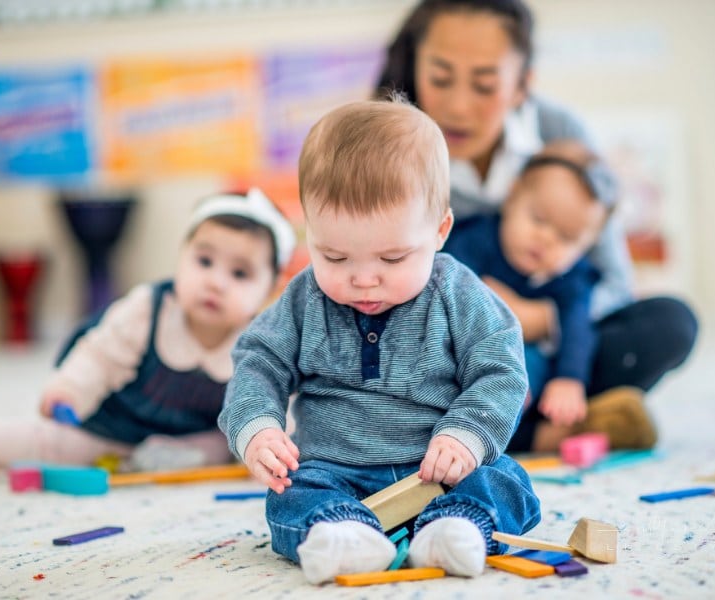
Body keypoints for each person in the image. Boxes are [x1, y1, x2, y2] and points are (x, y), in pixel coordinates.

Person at [218, 99, 540, 584]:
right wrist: (258, 428)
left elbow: (501, 370)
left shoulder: (458, 293)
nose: (364, 280)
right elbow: (258, 362)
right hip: (336, 474)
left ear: (439, 230)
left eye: (392, 259)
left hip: (438, 473)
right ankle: (341, 534)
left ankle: (455, 529)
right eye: (335, 256)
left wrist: (467, 435)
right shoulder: (304, 298)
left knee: (505, 479)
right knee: (291, 491)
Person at [375, 0, 698, 450]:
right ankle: (543, 430)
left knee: (670, 324)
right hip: (445, 348)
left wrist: (541, 320)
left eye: (485, 85)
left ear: (523, 84)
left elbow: (615, 283)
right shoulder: (389, 144)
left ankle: (532, 422)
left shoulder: (561, 135)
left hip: (553, 344)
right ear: (415, 66)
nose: (458, 106)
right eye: (441, 78)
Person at [0, 188, 296, 476]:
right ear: (182, 256)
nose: (216, 283)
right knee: (53, 446)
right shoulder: (148, 308)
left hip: (195, 436)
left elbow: (278, 400)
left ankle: (174, 457)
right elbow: (99, 357)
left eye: (240, 273)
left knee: (239, 441)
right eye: (204, 262)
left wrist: (278, 449)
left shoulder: (262, 341)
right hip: (116, 426)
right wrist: (69, 390)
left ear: (270, 288)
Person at [445, 141, 656, 452]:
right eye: (539, 219)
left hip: (523, 367)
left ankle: (502, 433)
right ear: (513, 196)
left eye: (566, 238)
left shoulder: (572, 277)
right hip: (457, 357)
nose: (546, 239)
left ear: (587, 246)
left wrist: (570, 380)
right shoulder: (472, 241)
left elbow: (577, 329)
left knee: (528, 368)